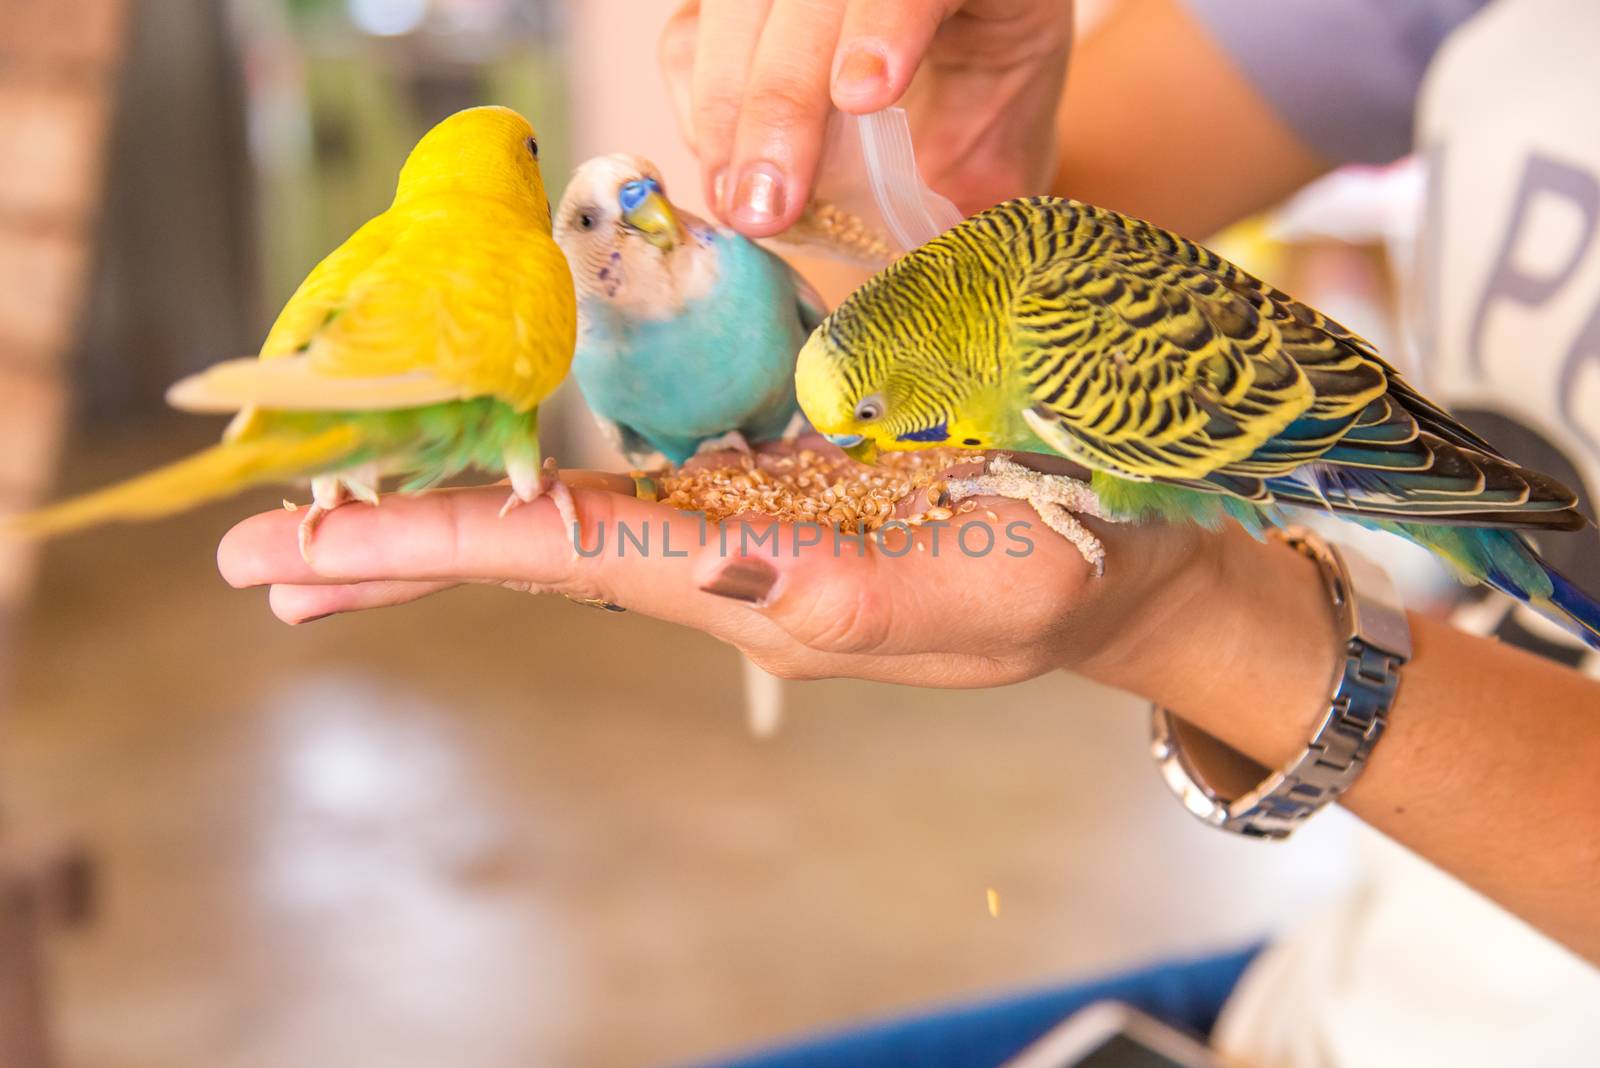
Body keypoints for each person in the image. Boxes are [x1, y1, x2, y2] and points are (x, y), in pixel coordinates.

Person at [218, 0, 1600, 1063]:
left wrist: (1182, 615)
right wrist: (916, 171)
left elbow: (1197, 433)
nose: (862, 447)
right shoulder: (974, 305)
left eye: (872, 412)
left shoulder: (1062, 372)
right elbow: (995, 228)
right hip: (1355, 970)